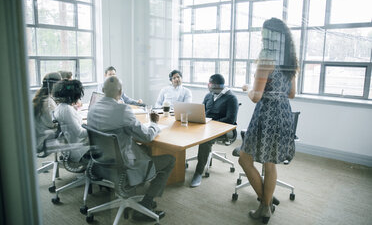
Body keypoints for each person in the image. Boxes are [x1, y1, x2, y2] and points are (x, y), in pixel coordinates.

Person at [87, 76, 175, 222]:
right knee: (170, 160)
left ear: (102, 90)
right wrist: (153, 123)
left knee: (143, 150)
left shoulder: (93, 109)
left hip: (100, 164)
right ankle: (146, 205)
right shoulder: (122, 110)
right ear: (120, 92)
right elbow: (147, 136)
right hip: (123, 169)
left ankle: (137, 186)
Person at [239, 17, 298, 224]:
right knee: (270, 163)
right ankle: (267, 197)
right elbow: (292, 94)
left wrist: (247, 88)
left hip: (266, 114)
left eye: (264, 34)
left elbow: (256, 96)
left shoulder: (266, 59)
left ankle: (265, 206)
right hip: (283, 113)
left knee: (244, 159)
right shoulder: (290, 60)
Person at [190, 74, 239, 188]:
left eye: (210, 83)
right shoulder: (209, 95)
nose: (208, 85)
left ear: (216, 85)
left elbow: (230, 119)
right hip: (206, 126)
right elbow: (201, 111)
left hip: (224, 130)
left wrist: (211, 123)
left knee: (205, 139)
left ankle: (198, 172)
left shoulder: (231, 98)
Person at [52, 79, 90, 162]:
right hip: (77, 149)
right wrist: (95, 128)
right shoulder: (67, 110)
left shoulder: (60, 107)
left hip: (69, 146)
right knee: (104, 139)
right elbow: (80, 133)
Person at [33, 72, 62, 153]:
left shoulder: (39, 97)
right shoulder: (48, 102)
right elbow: (53, 123)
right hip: (44, 140)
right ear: (55, 85)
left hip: (38, 137)